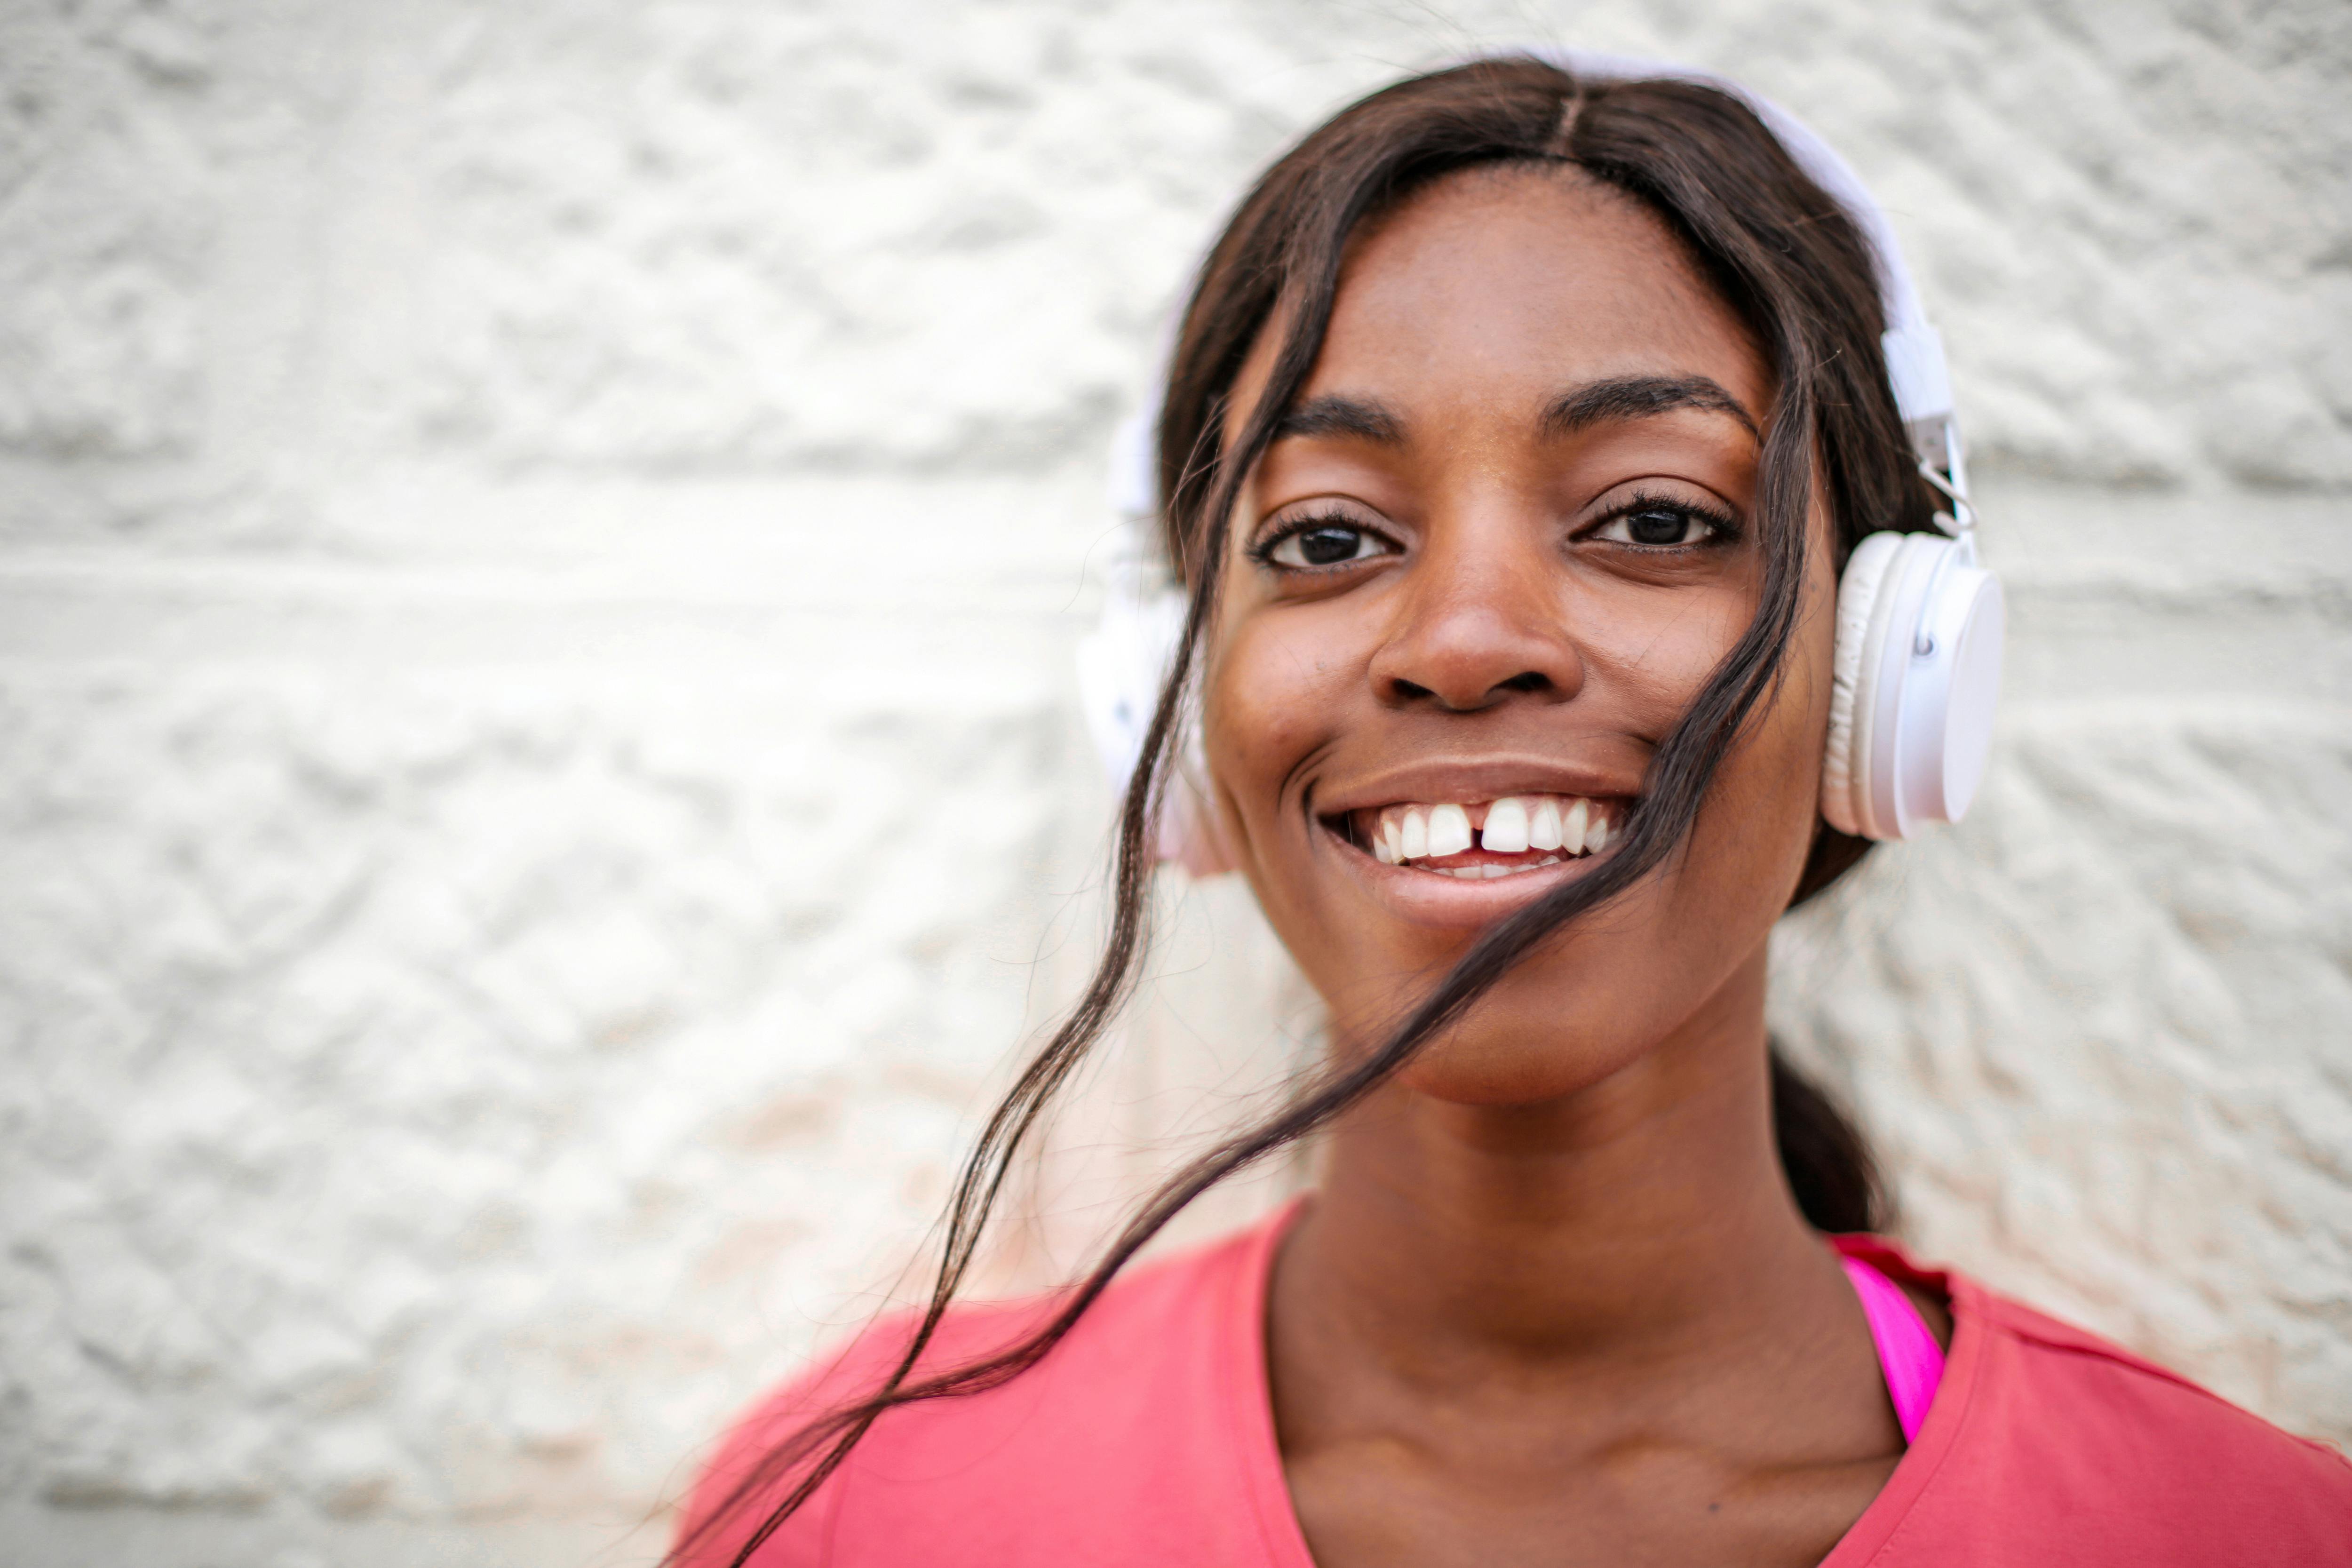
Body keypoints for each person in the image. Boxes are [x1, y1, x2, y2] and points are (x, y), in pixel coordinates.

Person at [673, 54, 2352, 1567]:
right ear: (1173, 702)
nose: (1467, 641)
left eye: (1653, 516)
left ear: (1890, 664)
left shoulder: (2241, 1537)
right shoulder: (860, 1515)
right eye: (1328, 538)